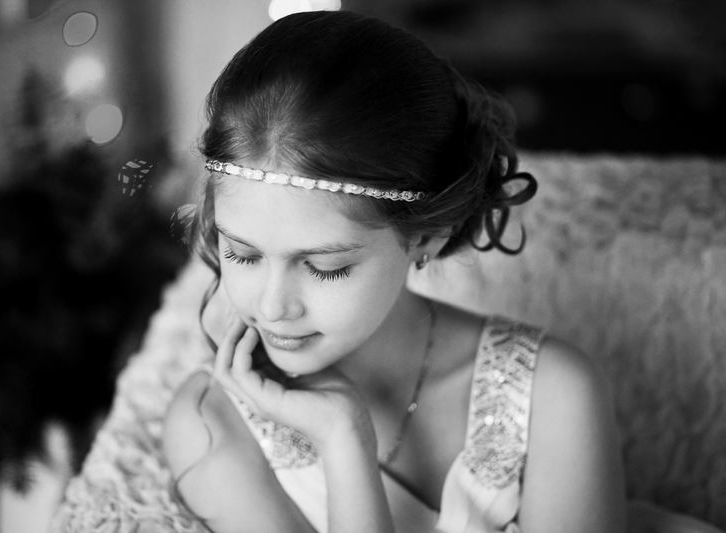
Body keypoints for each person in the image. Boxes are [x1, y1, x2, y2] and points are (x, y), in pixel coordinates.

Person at [161, 10, 627, 533]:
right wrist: (344, 441)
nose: (272, 307)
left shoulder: (552, 396)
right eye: (242, 255)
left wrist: (345, 438)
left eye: (324, 267)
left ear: (427, 236)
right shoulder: (212, 424)